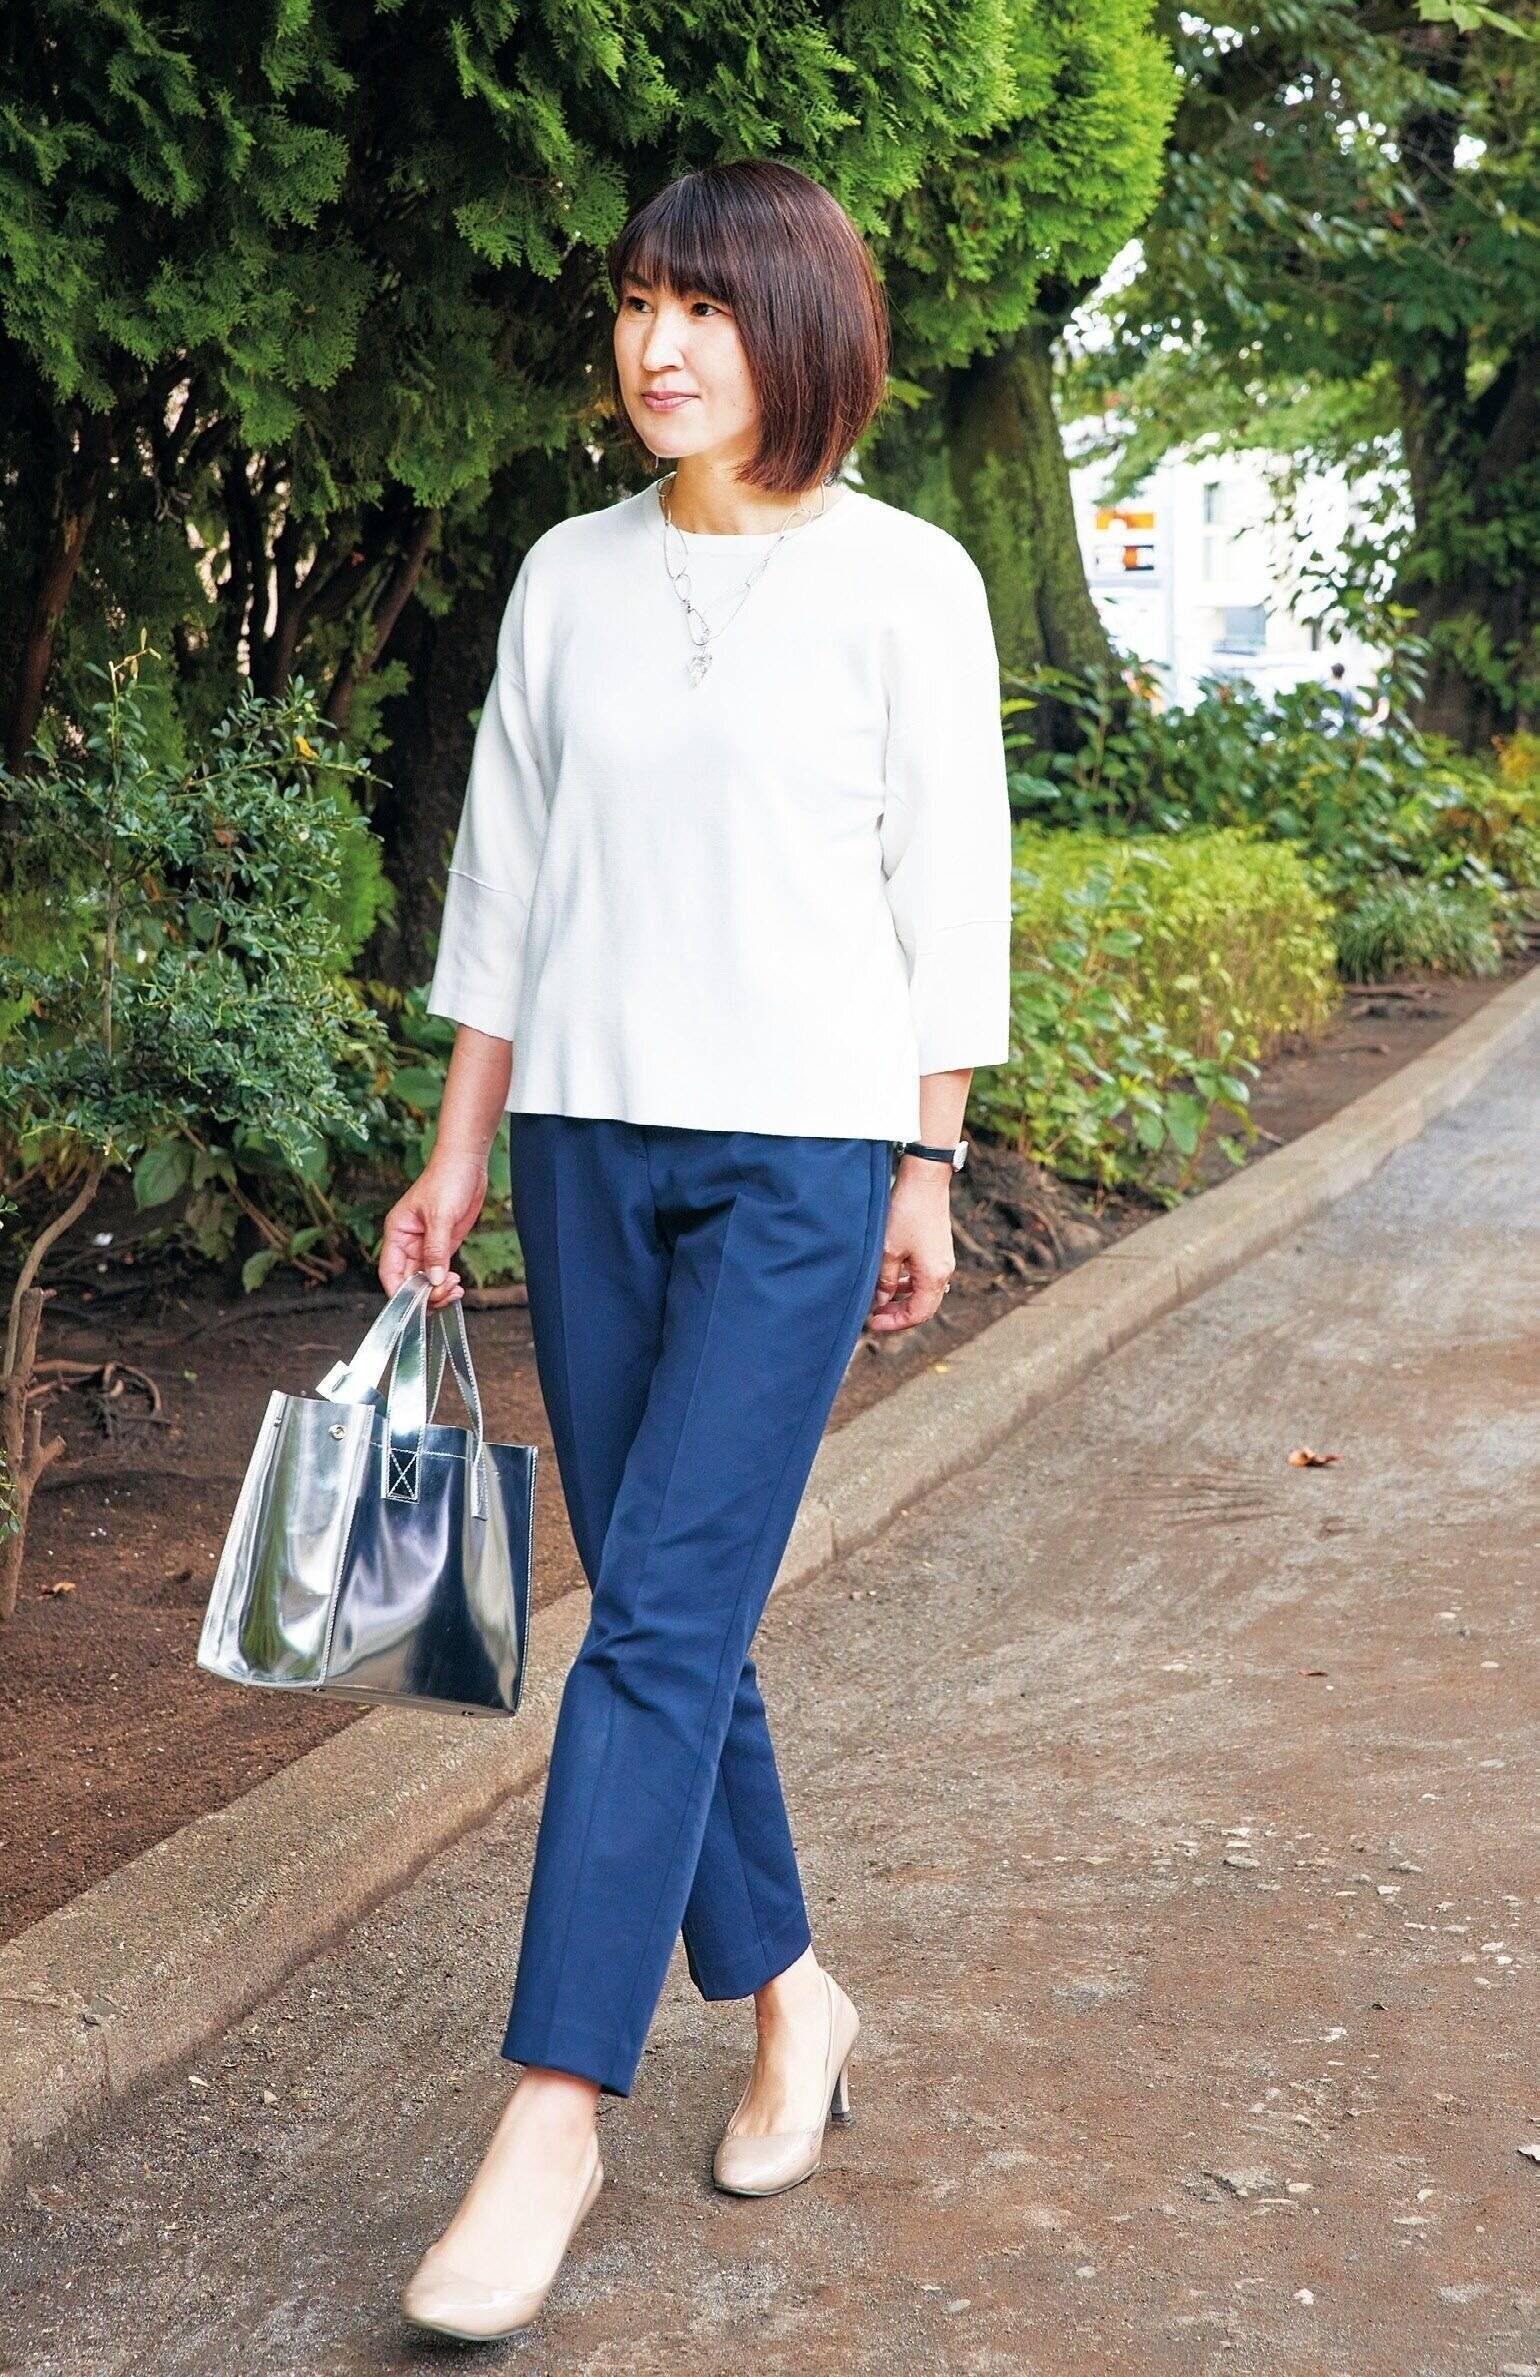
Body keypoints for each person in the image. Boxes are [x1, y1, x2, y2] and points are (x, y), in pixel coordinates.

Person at [378, 157, 1014, 2342]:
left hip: (802, 1159)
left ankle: (552, 2110)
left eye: (705, 308)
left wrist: (927, 1161)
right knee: (679, 1605)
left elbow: (952, 886)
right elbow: (504, 888)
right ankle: (794, 2001)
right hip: (581, 1143)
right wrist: (456, 1152)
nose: (658, 346)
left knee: (647, 1622)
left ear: (799, 330)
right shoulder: (566, 576)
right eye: (639, 303)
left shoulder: (908, 580)